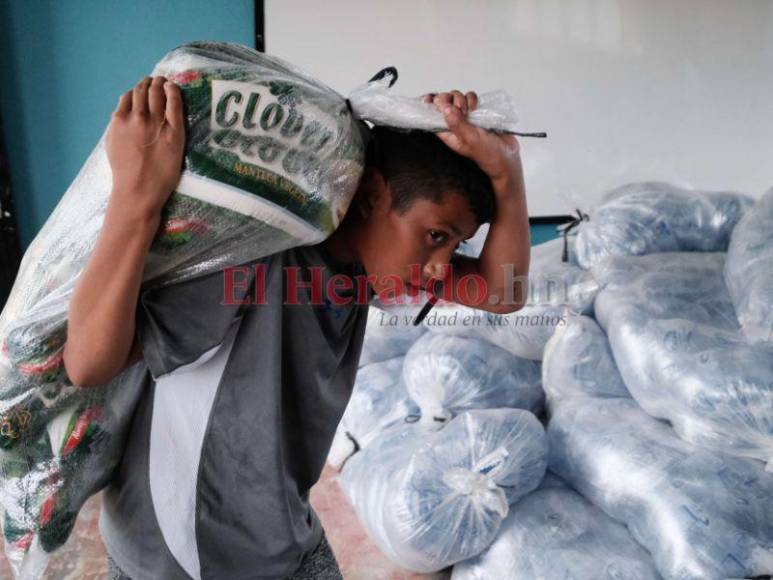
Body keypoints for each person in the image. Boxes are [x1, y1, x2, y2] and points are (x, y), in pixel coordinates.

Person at [62, 74, 531, 580]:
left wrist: (507, 174)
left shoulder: (361, 270)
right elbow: (87, 362)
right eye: (436, 236)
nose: (441, 266)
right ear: (372, 194)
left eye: (454, 245)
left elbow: (501, 292)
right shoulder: (254, 263)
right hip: (185, 555)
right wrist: (137, 198)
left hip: (279, 534)